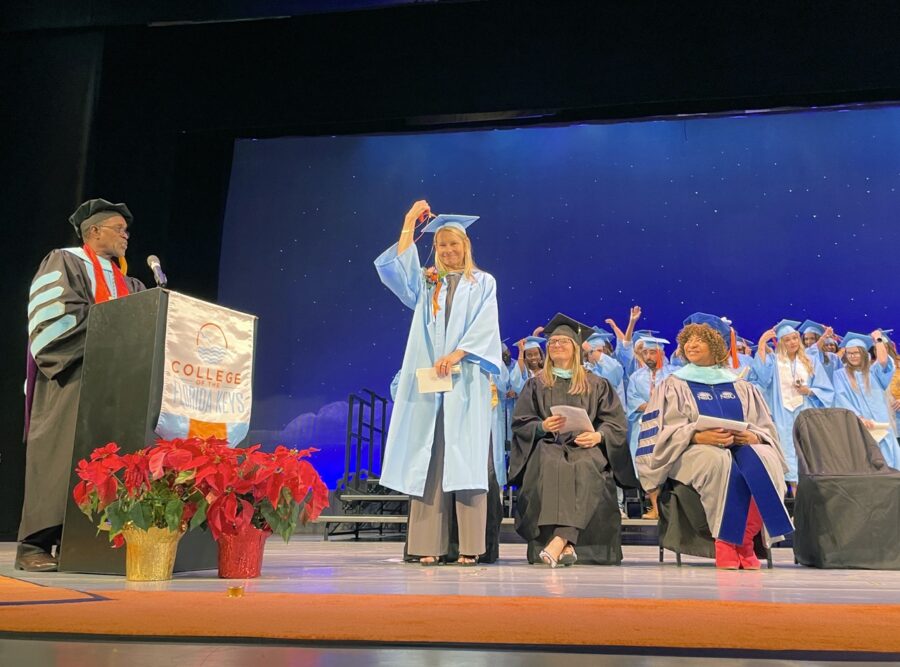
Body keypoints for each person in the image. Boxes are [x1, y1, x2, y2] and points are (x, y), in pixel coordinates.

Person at [19, 199, 146, 572]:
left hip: (121, 388)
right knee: (61, 458)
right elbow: (55, 320)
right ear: (93, 232)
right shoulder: (65, 261)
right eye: (118, 229)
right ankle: (35, 544)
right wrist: (117, 325)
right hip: (72, 381)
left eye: (127, 231)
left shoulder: (133, 282)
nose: (126, 237)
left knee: (114, 462)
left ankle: (99, 542)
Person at [374, 201, 501, 566]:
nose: (448, 250)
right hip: (431, 385)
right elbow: (397, 270)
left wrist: (457, 355)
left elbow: (485, 326)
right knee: (427, 458)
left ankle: (470, 547)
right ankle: (427, 545)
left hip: (464, 382)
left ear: (466, 247)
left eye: (454, 244)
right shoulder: (428, 283)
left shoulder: (483, 283)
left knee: (466, 460)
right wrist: (409, 222)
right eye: (442, 244)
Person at [636, 313, 793, 569]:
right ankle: (727, 542)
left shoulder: (741, 385)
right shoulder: (674, 384)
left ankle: (745, 540)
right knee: (718, 461)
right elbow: (658, 430)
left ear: (717, 345)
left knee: (765, 459)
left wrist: (753, 436)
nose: (692, 345)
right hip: (690, 452)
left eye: (701, 340)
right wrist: (695, 436)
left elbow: (764, 427)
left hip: (741, 446)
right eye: (689, 340)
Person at [509, 313, 636, 567]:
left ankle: (560, 540)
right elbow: (521, 422)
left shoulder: (596, 384)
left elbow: (615, 423)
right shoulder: (536, 385)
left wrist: (599, 435)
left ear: (577, 349)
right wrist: (542, 426)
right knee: (549, 463)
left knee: (587, 464)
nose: (556, 345)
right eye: (553, 342)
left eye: (563, 342)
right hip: (549, 445)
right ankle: (566, 544)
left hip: (586, 445)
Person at [752, 319, 834, 492]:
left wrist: (809, 390)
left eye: (794, 338)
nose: (792, 342)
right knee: (786, 450)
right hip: (782, 414)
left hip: (805, 411)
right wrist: (761, 343)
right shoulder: (774, 361)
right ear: (781, 342)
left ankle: (812, 493)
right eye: (787, 339)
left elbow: (825, 388)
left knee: (808, 450)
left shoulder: (810, 360)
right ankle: (793, 495)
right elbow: (762, 378)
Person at [832, 331, 899, 467]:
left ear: (863, 353)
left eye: (856, 352)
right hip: (860, 426)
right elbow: (841, 398)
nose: (853, 356)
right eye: (849, 353)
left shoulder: (874, 372)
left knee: (890, 461)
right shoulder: (840, 375)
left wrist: (878, 340)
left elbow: (884, 361)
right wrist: (859, 417)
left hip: (882, 425)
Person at [625, 336, 674, 519]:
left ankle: (670, 508)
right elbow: (633, 400)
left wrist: (656, 405)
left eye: (652, 352)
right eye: (645, 352)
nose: (648, 356)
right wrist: (654, 405)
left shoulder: (673, 374)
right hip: (644, 426)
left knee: (667, 465)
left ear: (661, 353)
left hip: (667, 425)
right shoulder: (636, 377)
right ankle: (654, 507)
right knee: (647, 466)